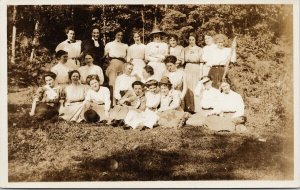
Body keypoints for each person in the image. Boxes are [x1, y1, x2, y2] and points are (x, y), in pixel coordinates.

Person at [104, 28, 128, 105]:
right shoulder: (109, 44)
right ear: (115, 35)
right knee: (113, 83)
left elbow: (127, 57)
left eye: (121, 35)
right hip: (113, 63)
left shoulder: (125, 45)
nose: (120, 36)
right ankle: (113, 102)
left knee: (121, 83)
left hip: (122, 64)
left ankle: (121, 102)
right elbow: (105, 57)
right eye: (118, 34)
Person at [184, 32, 203, 112]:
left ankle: (197, 108)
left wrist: (201, 72)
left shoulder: (199, 49)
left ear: (195, 40)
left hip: (196, 67)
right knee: (188, 87)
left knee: (196, 87)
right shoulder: (185, 49)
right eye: (190, 40)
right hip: (187, 67)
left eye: (193, 40)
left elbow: (201, 61)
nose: (191, 41)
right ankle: (189, 107)